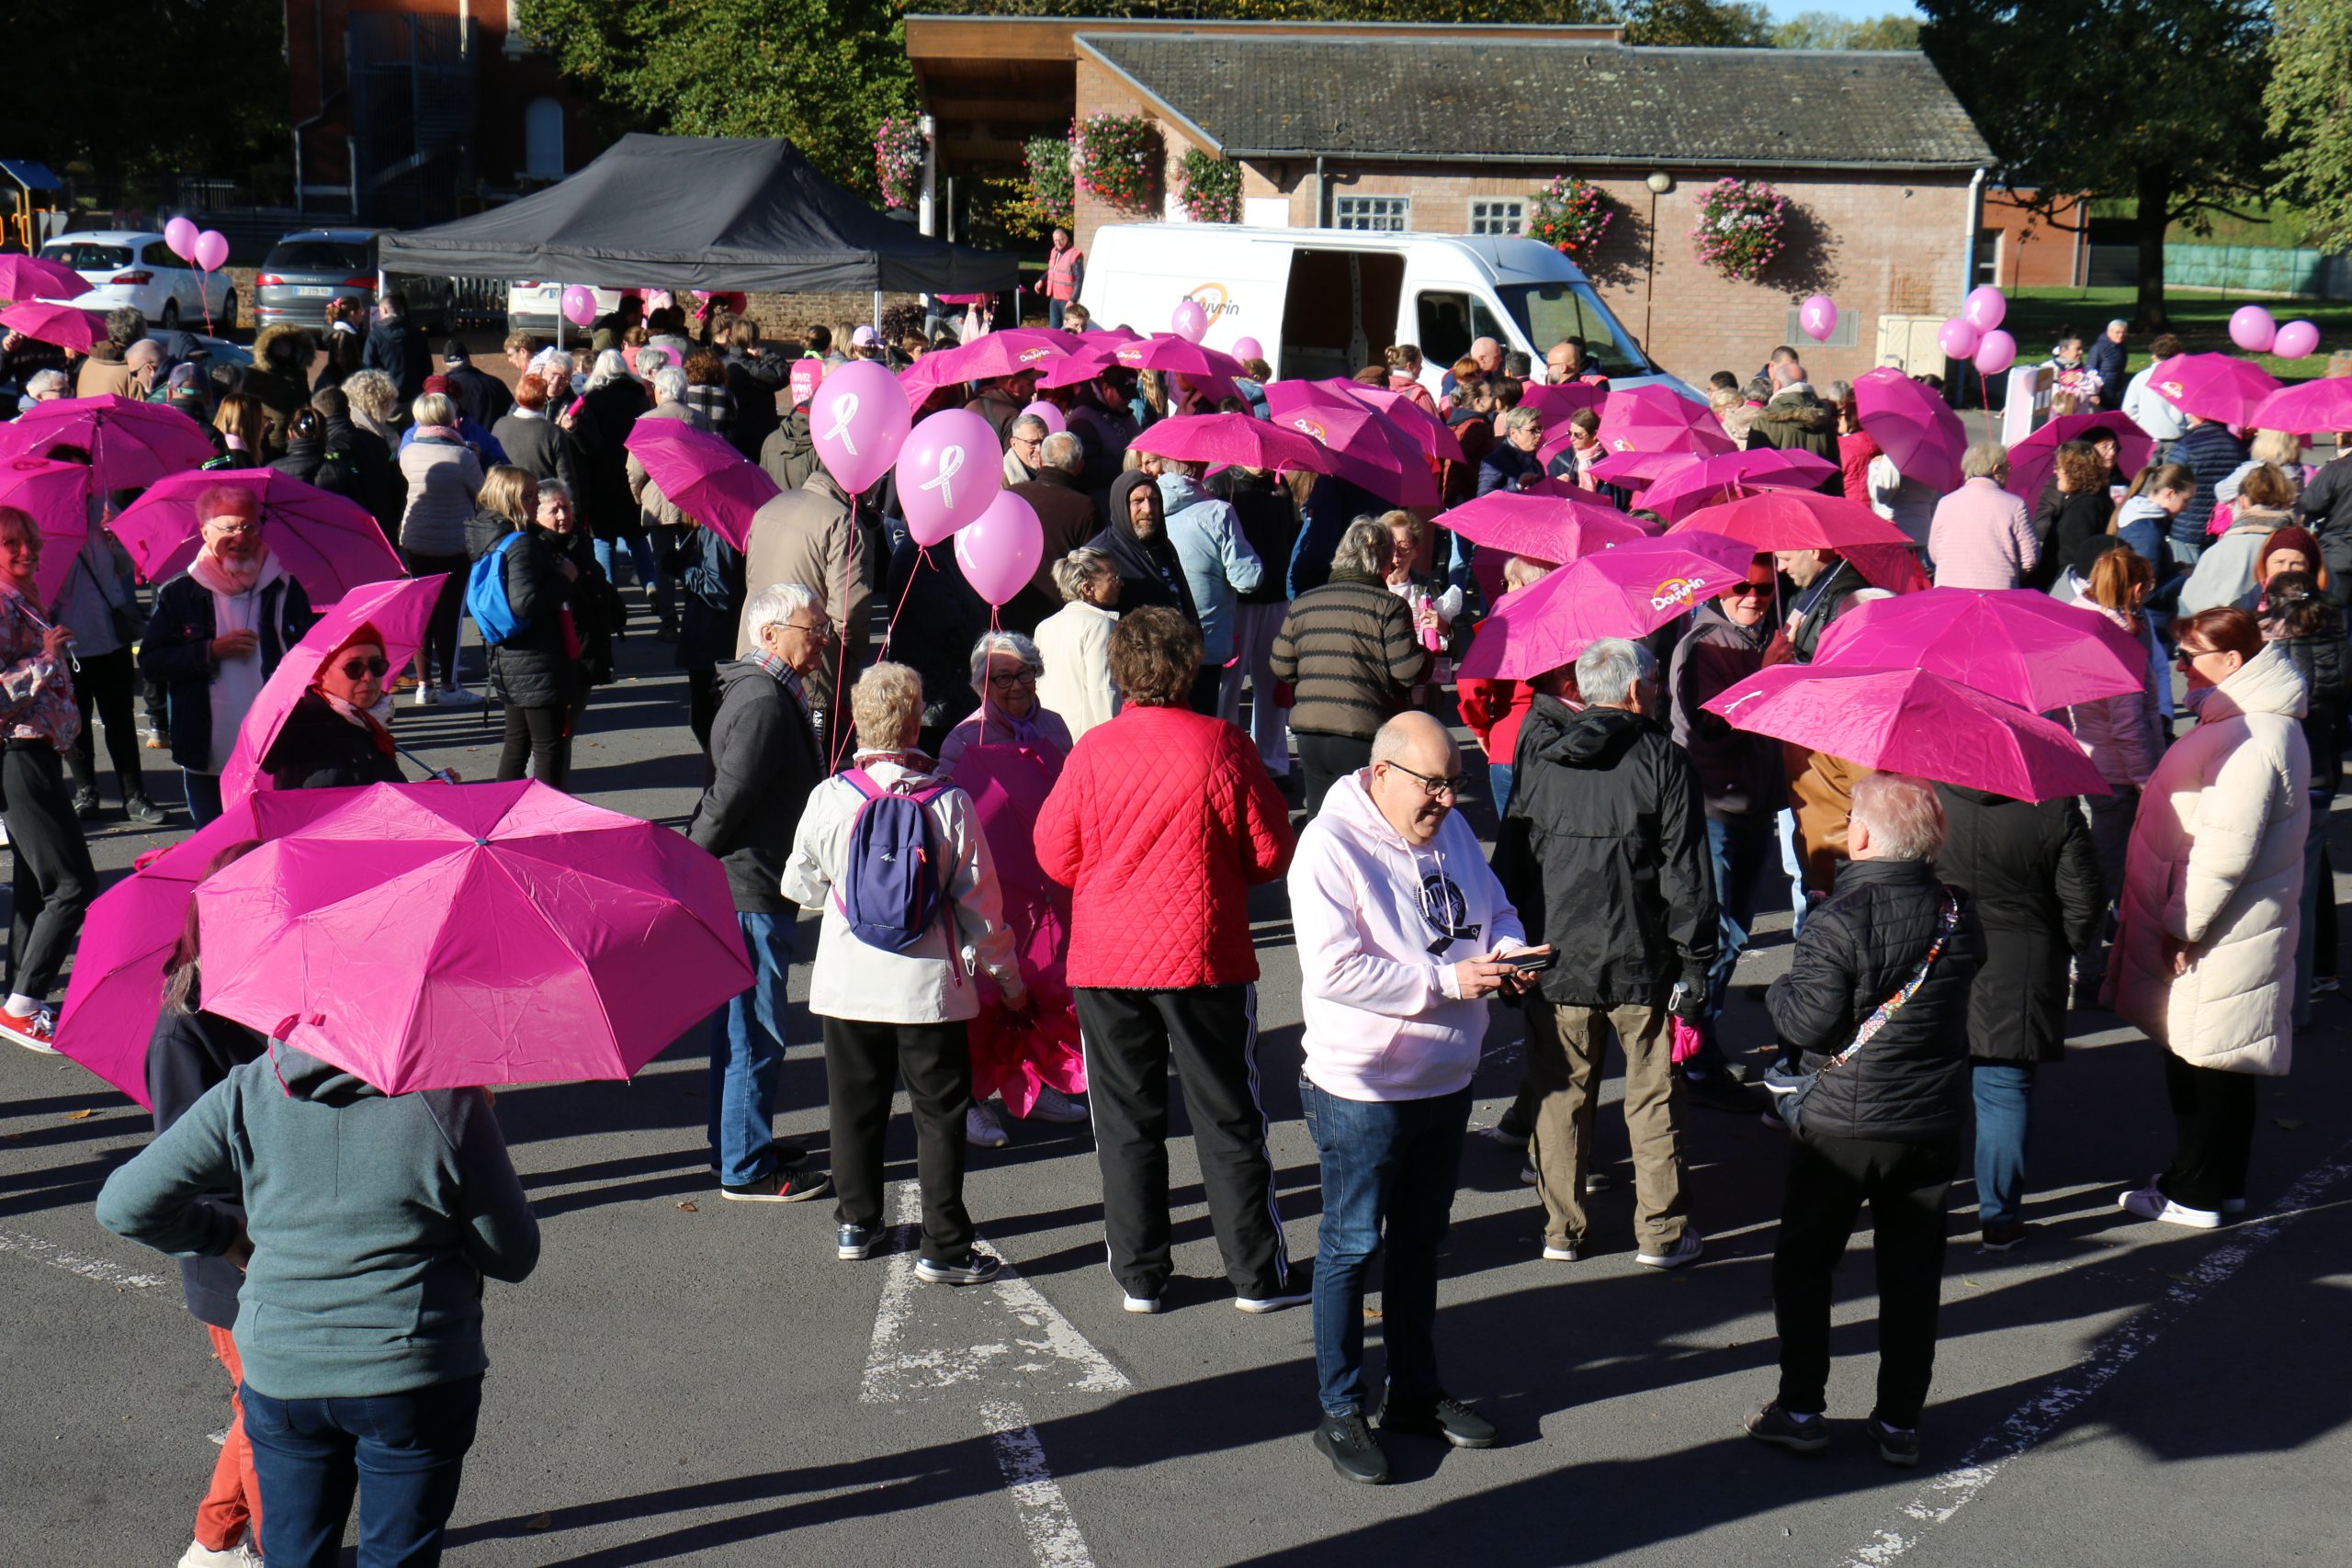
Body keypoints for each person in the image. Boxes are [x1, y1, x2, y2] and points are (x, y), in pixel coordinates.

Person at [95, 994, 540, 1565]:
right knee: (398, 1554)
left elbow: (125, 1204)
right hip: (413, 1369)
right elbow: (512, 1255)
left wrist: (225, 1238)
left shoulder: (250, 1089)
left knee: (295, 1556)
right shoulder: (447, 1102)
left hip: (282, 1369)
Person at [1291, 711, 1541, 1484]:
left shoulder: (1452, 833)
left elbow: (1494, 905)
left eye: (1454, 785)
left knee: (1419, 1243)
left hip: (1447, 1078)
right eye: (1432, 784)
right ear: (1381, 772)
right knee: (1351, 1244)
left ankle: (1414, 1392)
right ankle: (1340, 1407)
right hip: (1363, 1086)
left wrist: (1506, 949)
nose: (1445, 800)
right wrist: (1448, 981)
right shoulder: (1329, 847)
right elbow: (1336, 971)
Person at [1035, 607, 1301, 1314]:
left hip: (1108, 956)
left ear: (1121, 670)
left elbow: (1054, 854)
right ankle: (1255, 1271)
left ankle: (1140, 1274)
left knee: (1125, 1119)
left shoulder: (1092, 750)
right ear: (1189, 666)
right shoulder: (1222, 743)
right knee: (1228, 1112)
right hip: (1202, 952)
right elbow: (1271, 851)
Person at [1744, 773, 1985, 1470]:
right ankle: (1900, 1419)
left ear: (1863, 835)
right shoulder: (1957, 912)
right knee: (1912, 1275)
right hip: (1930, 1118)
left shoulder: (1838, 919)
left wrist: (1782, 985)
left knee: (1806, 1264)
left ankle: (1800, 1406)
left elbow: (1808, 1020)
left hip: (1844, 1123)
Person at [784, 661, 1024, 1283]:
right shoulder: (949, 803)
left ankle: (856, 1220)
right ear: (917, 721)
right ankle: (944, 1243)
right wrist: (1007, 977)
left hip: (846, 984)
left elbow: (799, 885)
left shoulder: (830, 796)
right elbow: (981, 905)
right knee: (939, 1114)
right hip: (927, 991)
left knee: (853, 1104)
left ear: (859, 721)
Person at [1496, 637, 1714, 1267]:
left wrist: (1513, 952)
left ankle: (1561, 1229)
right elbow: (1688, 878)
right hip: (1642, 961)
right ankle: (1662, 1231)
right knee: (1651, 1097)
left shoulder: (1540, 761)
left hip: (1557, 959)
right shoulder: (1662, 761)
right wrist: (1696, 962)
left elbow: (1512, 865)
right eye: (1651, 683)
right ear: (1634, 690)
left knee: (1560, 1095)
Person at [2112, 607, 2307, 1228]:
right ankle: (2221, 1185)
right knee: (2223, 1056)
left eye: (2191, 656)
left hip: (2219, 931)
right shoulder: (2258, 725)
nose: (2180, 669)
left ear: (2231, 662)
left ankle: (2195, 1193)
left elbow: (2226, 850)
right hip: (2236, 925)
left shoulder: (2253, 733)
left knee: (2204, 1060)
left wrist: (2182, 924)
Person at [140, 844, 270, 1568]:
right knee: (272, 1411)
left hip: (287, 1244)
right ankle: (271, 1547)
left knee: (264, 1406)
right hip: (239, 1258)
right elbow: (182, 1169)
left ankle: (216, 1542)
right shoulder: (186, 1027)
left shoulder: (280, 996)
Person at [686, 582, 836, 1203]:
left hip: (753, 885)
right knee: (755, 1027)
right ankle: (746, 1165)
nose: (823, 638)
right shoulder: (763, 701)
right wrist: (688, 862)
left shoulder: (765, 691)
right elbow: (731, 797)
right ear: (769, 633)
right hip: (750, 887)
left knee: (742, 1028)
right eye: (813, 628)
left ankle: (738, 1142)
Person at [1930, 773, 2099, 1251]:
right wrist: (2067, 946)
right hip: (2023, 960)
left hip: (1937, 955)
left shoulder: (1929, 795)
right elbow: (2083, 899)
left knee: (1930, 1090)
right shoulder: (2052, 804)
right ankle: (2000, 1219)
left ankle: (1918, 1212)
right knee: (2004, 1090)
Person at [936, 631, 1091, 1145]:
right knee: (982, 995)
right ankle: (971, 1100)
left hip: (1047, 883)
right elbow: (946, 815)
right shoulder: (965, 738)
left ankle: (1038, 1082)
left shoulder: (1053, 726)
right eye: (1003, 678)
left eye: (1025, 673)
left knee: (1042, 987)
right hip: (990, 887)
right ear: (982, 684)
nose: (1017, 686)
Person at [1668, 556, 1782, 1095]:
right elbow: (1710, 726)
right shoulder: (1703, 643)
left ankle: (1697, 1039)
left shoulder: (1762, 635)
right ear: (1720, 588)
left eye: (1763, 588)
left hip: (1756, 805)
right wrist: (1772, 674)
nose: (1753, 598)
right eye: (1742, 587)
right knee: (1716, 939)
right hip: (1713, 808)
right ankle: (1690, 1048)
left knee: (1734, 934)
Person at [140, 487, 315, 828]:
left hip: (275, 747)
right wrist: (210, 651)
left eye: (248, 527)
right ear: (205, 532)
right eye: (229, 528)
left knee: (271, 838)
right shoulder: (180, 592)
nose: (240, 538)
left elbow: (312, 656)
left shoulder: (285, 587)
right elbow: (152, 662)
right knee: (214, 847)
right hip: (206, 748)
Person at [0, 506, 93, 1054]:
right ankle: (23, 1003)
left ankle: (19, 996)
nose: (27, 553)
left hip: (37, 751)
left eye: (31, 543)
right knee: (73, 883)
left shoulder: (22, 598)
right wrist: (45, 658)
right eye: (12, 545)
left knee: (37, 885)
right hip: (17, 753)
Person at [42, 447, 164, 824]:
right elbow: (40, 582)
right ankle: (86, 792)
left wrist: (116, 536)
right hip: (69, 638)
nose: (81, 482)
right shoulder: (43, 520)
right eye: (72, 474)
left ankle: (135, 795)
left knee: (121, 719)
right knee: (76, 722)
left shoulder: (104, 508)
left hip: (110, 633)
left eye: (85, 474)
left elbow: (130, 568)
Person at [2062, 547, 2165, 996]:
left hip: (2089, 760)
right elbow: (2128, 726)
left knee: (2100, 872)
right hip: (2118, 775)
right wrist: (2147, 782)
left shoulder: (2079, 624)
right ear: (2136, 588)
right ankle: (2088, 971)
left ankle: (2094, 964)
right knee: (2108, 877)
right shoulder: (2118, 639)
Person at [1272, 518, 1426, 813]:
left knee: (1321, 816)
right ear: (1382, 562)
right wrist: (1427, 656)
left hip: (1311, 732)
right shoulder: (1388, 606)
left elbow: (1280, 664)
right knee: (1365, 819)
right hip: (1364, 730)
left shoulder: (1306, 602)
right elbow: (1408, 670)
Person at [2264, 572, 2349, 1022]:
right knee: (2309, 894)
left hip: (2283, 780)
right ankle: (2299, 1007)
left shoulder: (2275, 655)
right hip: (2321, 778)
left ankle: (2281, 1003)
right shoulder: (2339, 643)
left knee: (2276, 895)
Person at [738, 467, 870, 749]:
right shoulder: (841, 521)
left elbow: (751, 579)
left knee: (757, 750)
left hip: (754, 651)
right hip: (809, 663)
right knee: (811, 767)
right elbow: (848, 612)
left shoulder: (770, 507)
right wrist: (849, 663)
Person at [391, 391, 484, 705]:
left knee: (422, 613)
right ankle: (449, 686)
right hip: (453, 543)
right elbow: (482, 495)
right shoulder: (463, 457)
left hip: (415, 541)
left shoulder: (408, 453)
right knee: (450, 615)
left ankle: (423, 684)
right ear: (450, 418)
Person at [1158, 457, 1264, 714]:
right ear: (1198, 468)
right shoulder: (1218, 512)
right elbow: (1247, 579)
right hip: (1205, 640)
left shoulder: (1146, 504)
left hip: (1160, 637)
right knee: (1202, 721)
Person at [261, 625, 407, 791]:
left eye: (377, 665)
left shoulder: (364, 724)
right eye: (354, 667)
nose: (368, 677)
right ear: (323, 673)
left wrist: (442, 780)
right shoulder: (310, 743)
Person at [1455, 555, 1550, 810]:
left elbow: (1470, 685)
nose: (1505, 590)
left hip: (1509, 739)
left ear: (1520, 584)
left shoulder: (1501, 626)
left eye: (1508, 583)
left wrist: (1480, 729)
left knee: (1512, 841)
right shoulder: (1563, 621)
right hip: (1555, 742)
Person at [1006, 431, 1101, 635]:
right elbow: (1093, 566)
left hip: (1009, 608)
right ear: (1079, 467)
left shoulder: (1013, 495)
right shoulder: (1084, 506)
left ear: (1040, 460)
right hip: (1062, 615)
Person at [2179, 462, 2297, 615]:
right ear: (2287, 499)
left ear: (2243, 501)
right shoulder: (2302, 547)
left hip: (2231, 632)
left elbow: (2190, 609)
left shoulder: (2221, 550)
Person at [1034, 547, 1121, 740]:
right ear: (1087, 588)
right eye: (1113, 579)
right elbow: (1104, 690)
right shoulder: (1100, 625)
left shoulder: (1044, 627)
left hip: (1050, 736)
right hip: (1088, 740)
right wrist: (1116, 741)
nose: (1121, 584)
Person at [1928, 442, 2037, 590]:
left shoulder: (1945, 503)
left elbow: (1935, 552)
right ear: (1996, 469)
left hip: (1949, 590)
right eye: (2007, 466)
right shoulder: (2014, 505)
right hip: (1997, 592)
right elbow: (2030, 558)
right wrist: (2010, 574)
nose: (2009, 471)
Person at [2164, 415, 2252, 561]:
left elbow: (2169, 482)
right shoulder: (2238, 447)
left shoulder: (2187, 445)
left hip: (2187, 527)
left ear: (2200, 416)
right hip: (2223, 527)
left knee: (2186, 579)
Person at [2033, 440, 2117, 591]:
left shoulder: (2083, 509)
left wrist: (2055, 593)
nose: (2055, 471)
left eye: (2059, 467)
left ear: (2073, 471)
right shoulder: (2097, 499)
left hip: (2062, 590)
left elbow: (2070, 561)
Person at [490, 373, 583, 502]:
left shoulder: (499, 425)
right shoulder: (553, 432)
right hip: (542, 503)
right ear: (544, 398)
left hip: (507, 500)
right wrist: (572, 509)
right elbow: (566, 480)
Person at [359, 291, 429, 407]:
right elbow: (427, 368)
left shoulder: (375, 336)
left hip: (386, 402)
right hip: (414, 400)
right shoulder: (418, 334)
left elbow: (368, 368)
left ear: (385, 310)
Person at [1745, 379, 1839, 465]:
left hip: (1776, 483)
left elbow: (1753, 465)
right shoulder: (1824, 420)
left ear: (1777, 385)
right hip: (1818, 482)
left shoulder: (1764, 422)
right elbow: (1834, 467)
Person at [2120, 333, 2189, 444]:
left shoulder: (2141, 378)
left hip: (2147, 436)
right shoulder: (2183, 379)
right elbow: (2190, 411)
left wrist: (2141, 425)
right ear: (2177, 354)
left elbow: (2128, 410)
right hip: (2176, 436)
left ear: (2154, 354)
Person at [1477, 408, 1547, 496]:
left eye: (1539, 429)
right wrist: (1517, 486)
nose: (1538, 435)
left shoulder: (1535, 464)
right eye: (1533, 430)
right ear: (1514, 433)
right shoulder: (1495, 461)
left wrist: (1555, 484)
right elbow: (1484, 497)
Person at [1035, 227, 1085, 327]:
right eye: (1056, 240)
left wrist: (1072, 300)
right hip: (1055, 298)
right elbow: (1052, 270)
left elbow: (1079, 279)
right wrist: (1042, 280)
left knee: (1067, 329)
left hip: (1067, 300)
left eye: (1061, 239)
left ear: (1067, 238)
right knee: (1054, 330)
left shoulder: (1074, 254)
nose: (1059, 242)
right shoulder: (1054, 251)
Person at [2087, 320, 2129, 410]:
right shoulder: (2098, 348)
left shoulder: (2122, 348)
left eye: (2123, 332)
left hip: (2117, 392)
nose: (2121, 335)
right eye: (2117, 332)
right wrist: (2093, 394)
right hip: (2102, 394)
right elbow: (2090, 371)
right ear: (2109, 332)